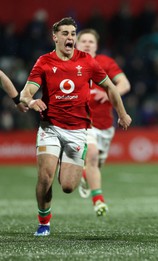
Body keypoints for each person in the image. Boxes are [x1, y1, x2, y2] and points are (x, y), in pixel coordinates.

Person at [20, 17, 132, 237]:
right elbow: (26, 93)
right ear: (55, 37)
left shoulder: (88, 62)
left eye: (73, 33)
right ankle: (44, 222)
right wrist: (32, 102)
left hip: (78, 130)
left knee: (68, 186)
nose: (70, 37)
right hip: (50, 127)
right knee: (45, 177)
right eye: (65, 33)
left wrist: (122, 113)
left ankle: (64, 161)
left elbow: (111, 87)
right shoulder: (44, 62)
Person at [76, 28, 131, 216]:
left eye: (91, 41)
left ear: (96, 46)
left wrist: (108, 93)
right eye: (83, 40)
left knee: (96, 164)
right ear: (76, 43)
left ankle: (85, 176)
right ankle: (98, 201)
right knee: (91, 155)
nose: (87, 44)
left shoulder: (105, 62)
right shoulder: (70, 64)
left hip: (105, 125)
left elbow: (124, 84)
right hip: (83, 123)